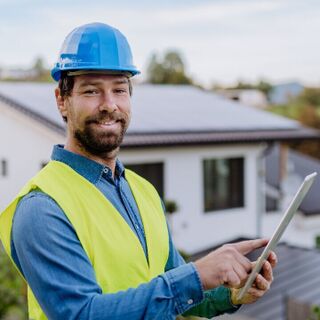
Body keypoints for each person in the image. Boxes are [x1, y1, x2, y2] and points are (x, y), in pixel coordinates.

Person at [0, 22, 277, 320]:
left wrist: (231, 291)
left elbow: (179, 295)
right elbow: (81, 314)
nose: (109, 105)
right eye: (92, 91)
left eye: (119, 89)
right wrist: (194, 276)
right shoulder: (42, 208)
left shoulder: (142, 191)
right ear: (62, 101)